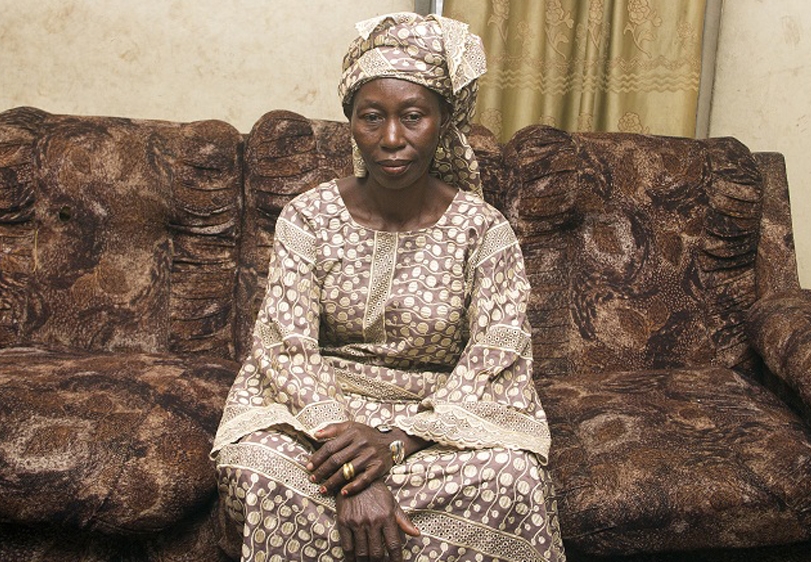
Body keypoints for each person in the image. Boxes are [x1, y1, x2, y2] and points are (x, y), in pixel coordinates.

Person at [212, 12, 565, 562]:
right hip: (320, 416)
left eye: (413, 117)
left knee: (513, 476)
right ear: (350, 120)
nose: (392, 138)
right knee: (258, 466)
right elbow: (285, 343)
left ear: (443, 122)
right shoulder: (308, 217)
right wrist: (353, 463)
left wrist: (398, 441)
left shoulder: (483, 230)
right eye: (372, 117)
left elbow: (496, 352)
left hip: (436, 418)